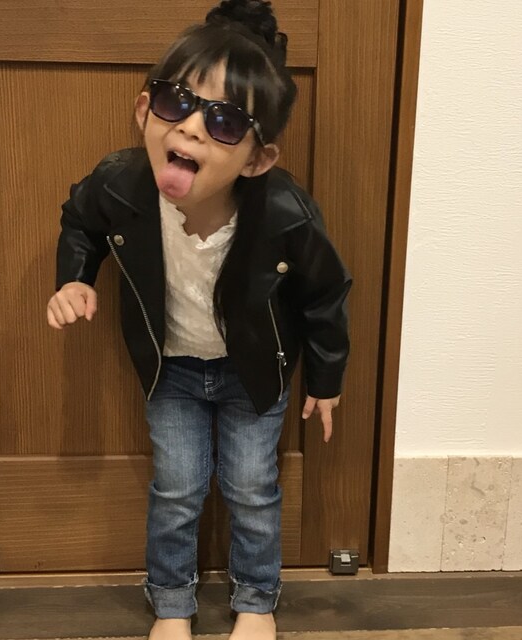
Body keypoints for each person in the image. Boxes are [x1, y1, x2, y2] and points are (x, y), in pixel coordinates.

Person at [47, 1, 351, 638]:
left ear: (257, 159)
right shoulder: (120, 184)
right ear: (144, 110)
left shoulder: (285, 213)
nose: (189, 127)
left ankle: (257, 602)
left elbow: (324, 294)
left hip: (254, 375)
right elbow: (80, 220)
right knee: (177, 489)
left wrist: (326, 379)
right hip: (174, 371)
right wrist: (75, 278)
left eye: (224, 121)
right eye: (175, 102)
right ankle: (172, 606)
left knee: (252, 489)